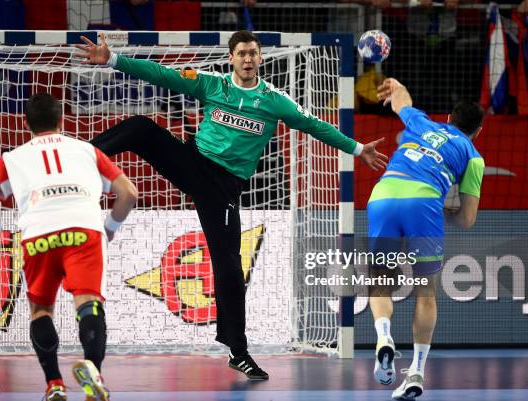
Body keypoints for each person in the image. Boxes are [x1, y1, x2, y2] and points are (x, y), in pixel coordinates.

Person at [76, 30, 388, 380]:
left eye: (253, 53)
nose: (248, 59)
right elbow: (162, 75)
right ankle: (75, 156)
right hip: (193, 162)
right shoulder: (213, 85)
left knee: (229, 270)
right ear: (231, 58)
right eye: (242, 53)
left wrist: (359, 149)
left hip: (223, 188)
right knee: (140, 127)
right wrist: (114, 59)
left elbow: (315, 126)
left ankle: (237, 352)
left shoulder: (274, 101)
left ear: (260, 58)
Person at [0, 93, 138, 401]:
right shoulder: (88, 150)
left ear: (26, 124)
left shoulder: (12, 158)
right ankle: (93, 372)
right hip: (84, 230)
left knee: (41, 310)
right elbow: (129, 193)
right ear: (62, 120)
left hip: (39, 233)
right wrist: (110, 228)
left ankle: (54, 384)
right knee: (88, 304)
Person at [369, 78, 484, 399]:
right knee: (426, 293)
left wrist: (394, 84)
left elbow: (401, 101)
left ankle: (383, 337)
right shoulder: (473, 155)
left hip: (385, 193)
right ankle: (416, 371)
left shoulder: (422, 122)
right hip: (424, 203)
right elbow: (467, 220)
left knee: (380, 281)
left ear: (448, 118)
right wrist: (446, 210)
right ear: (478, 131)